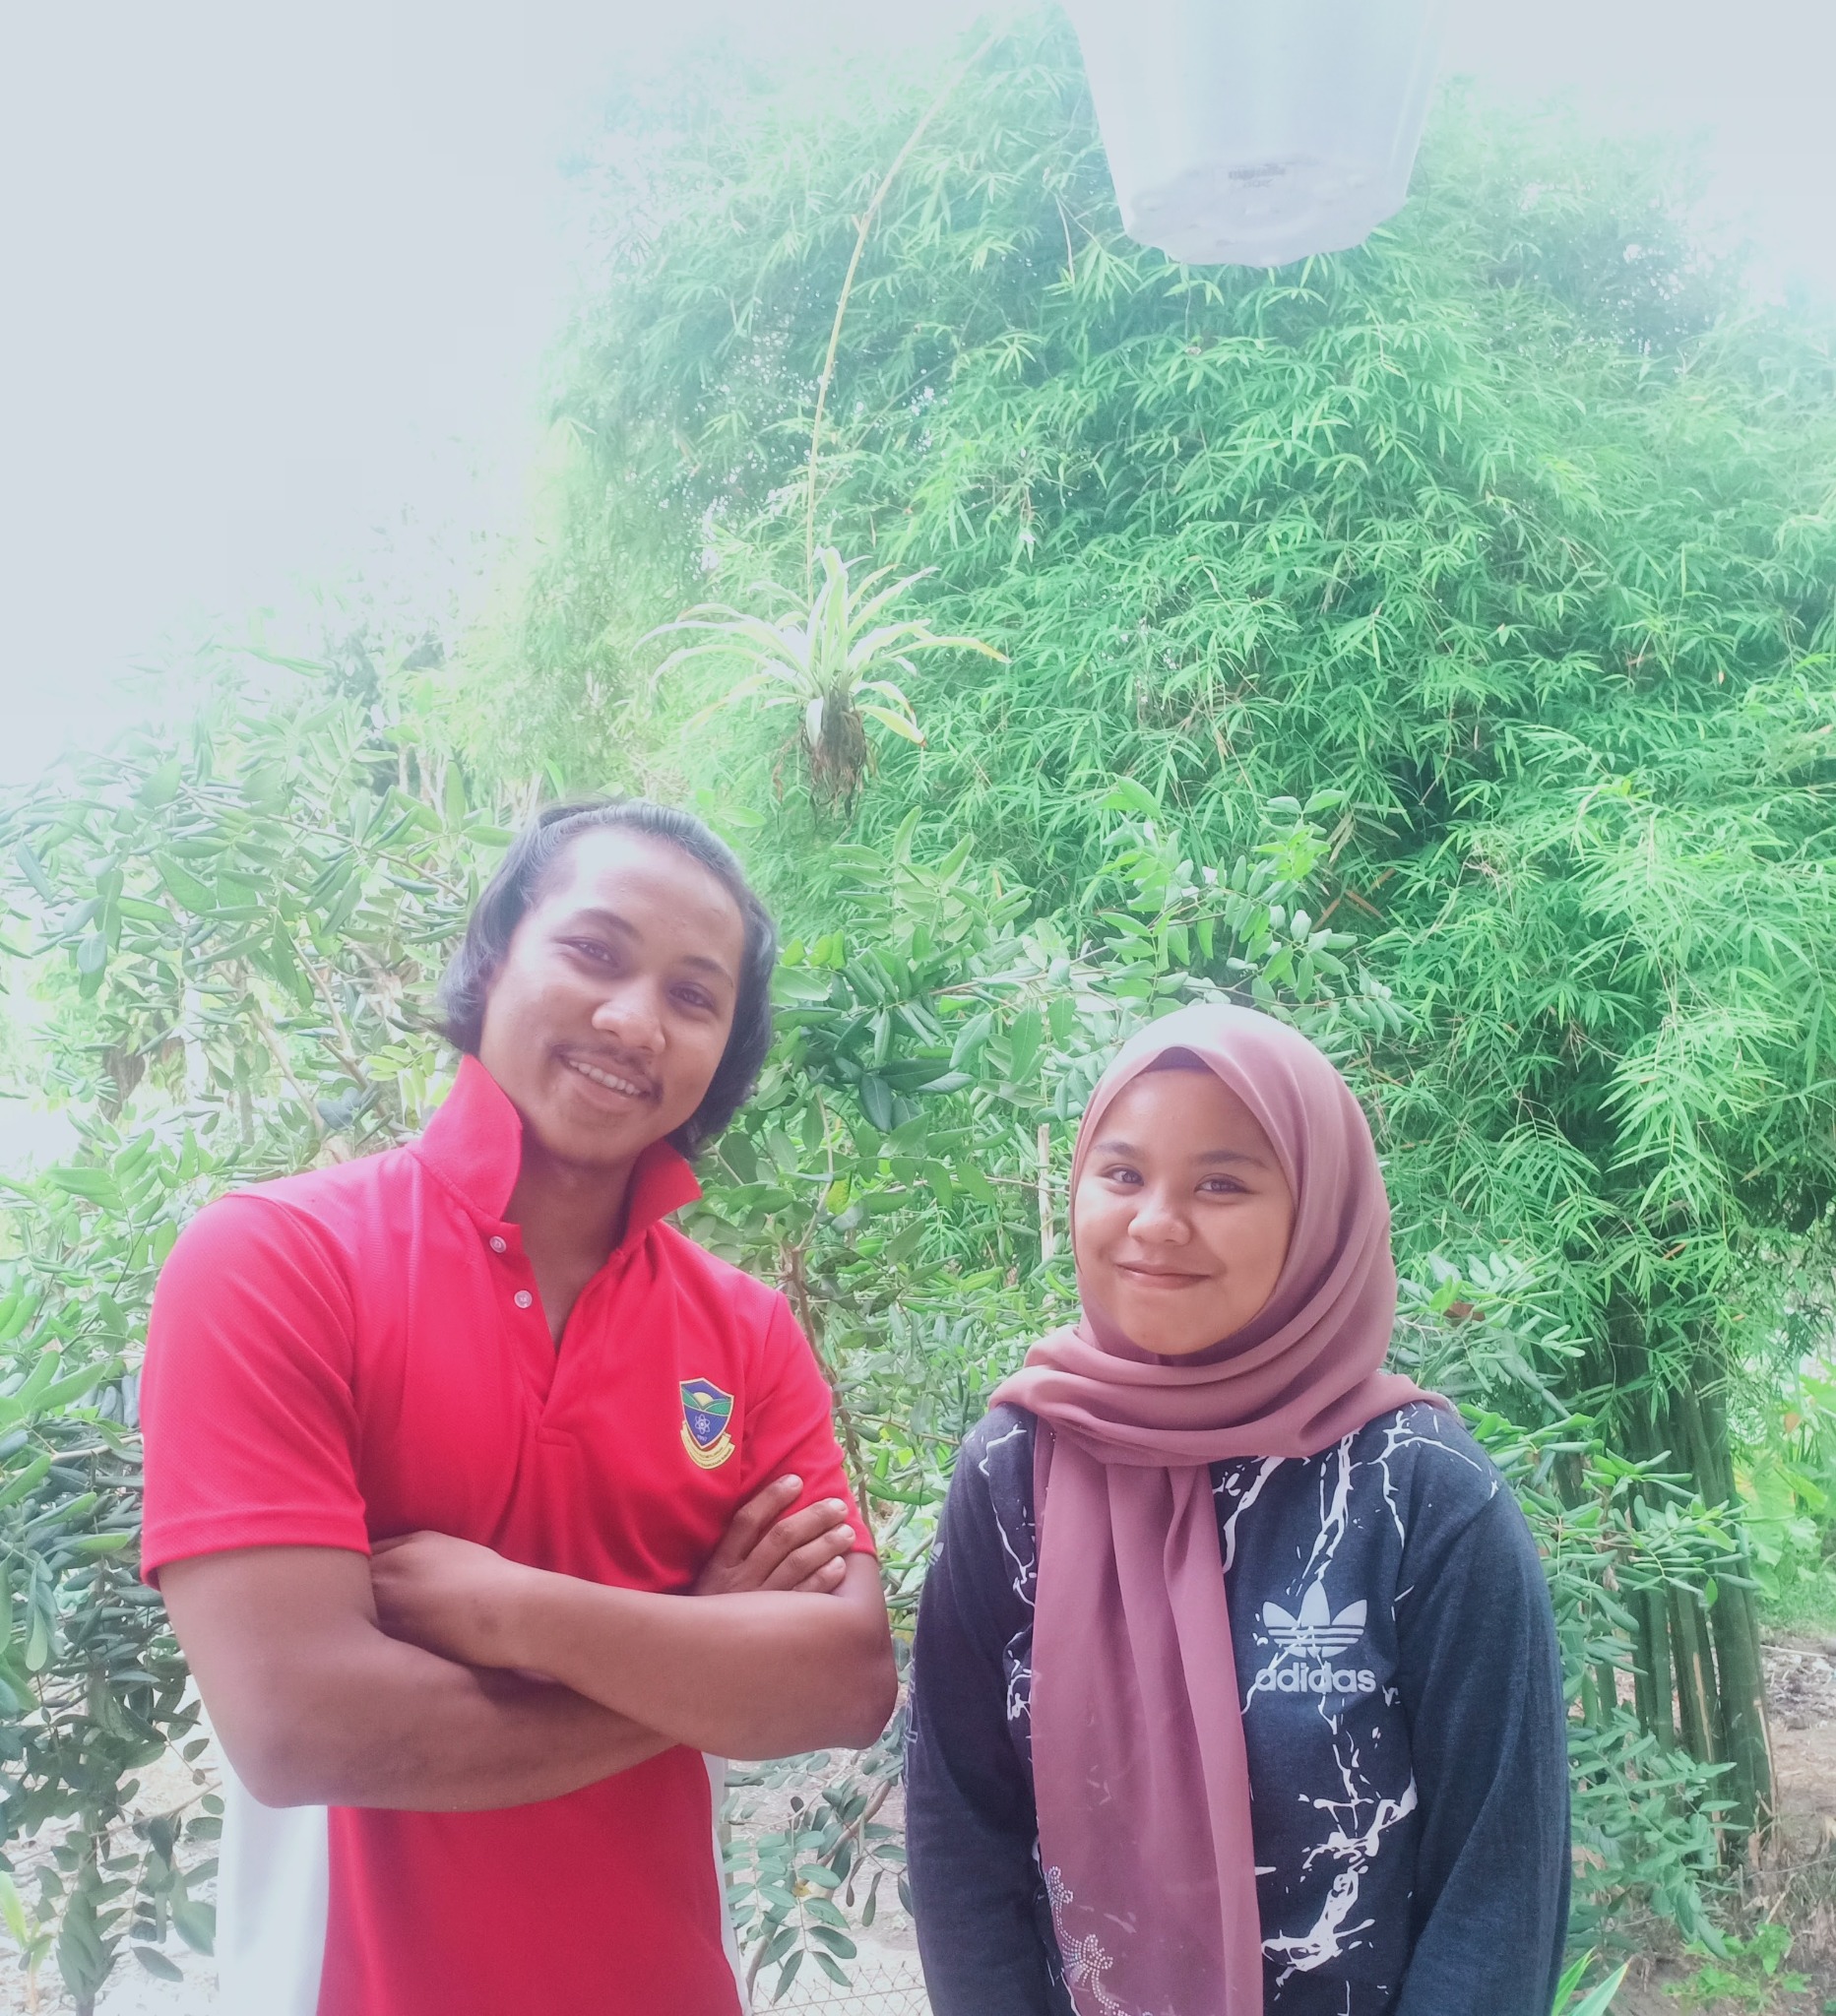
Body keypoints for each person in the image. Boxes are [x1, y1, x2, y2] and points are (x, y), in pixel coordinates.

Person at [140, 798, 897, 2016]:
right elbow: (299, 1725)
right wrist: (696, 1648)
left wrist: (513, 1609)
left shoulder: (744, 1330)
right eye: (594, 951)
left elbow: (843, 1683)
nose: (634, 1020)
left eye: (693, 995)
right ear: (494, 952)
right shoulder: (277, 1262)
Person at [905, 1003, 1569, 2016]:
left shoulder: (1421, 1493)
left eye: (1220, 1182)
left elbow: (1497, 1885)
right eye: (1121, 1173)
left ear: (1318, 1217)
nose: (1155, 1222)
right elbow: (959, 1823)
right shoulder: (1013, 1469)